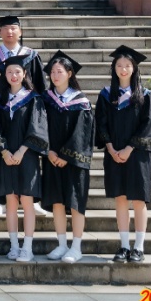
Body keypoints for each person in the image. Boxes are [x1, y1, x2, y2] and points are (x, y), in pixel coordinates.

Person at [0, 14, 48, 218]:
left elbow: (40, 86)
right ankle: (0, 200)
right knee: (1, 157)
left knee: (29, 157)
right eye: (6, 28)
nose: (10, 31)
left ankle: (33, 200)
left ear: (20, 32)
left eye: (13, 28)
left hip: (26, 112)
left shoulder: (31, 55)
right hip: (0, 110)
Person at [96, 45, 151, 264]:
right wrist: (111, 148)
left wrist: (129, 148)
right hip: (114, 153)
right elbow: (101, 123)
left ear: (134, 69)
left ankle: (138, 247)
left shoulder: (145, 95)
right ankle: (123, 246)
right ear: (114, 68)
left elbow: (147, 125)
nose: (123, 69)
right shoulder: (106, 95)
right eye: (119, 65)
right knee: (120, 199)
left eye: (127, 65)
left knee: (139, 200)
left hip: (138, 154)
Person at [0, 57, 48, 263]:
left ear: (24, 74)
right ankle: (14, 245)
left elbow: (37, 128)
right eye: (9, 72)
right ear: (4, 75)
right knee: (10, 201)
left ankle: (27, 247)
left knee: (27, 201)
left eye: (17, 72)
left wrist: (21, 151)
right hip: (5, 157)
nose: (13, 76)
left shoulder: (34, 99)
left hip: (27, 156)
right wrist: (4, 152)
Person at [42, 51, 94, 264]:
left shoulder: (81, 101)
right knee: (57, 202)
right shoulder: (46, 99)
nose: (55, 76)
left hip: (74, 161)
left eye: (60, 72)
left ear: (70, 73)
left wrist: (66, 155)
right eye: (53, 72)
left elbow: (83, 133)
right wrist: (49, 150)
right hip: (52, 158)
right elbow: (40, 127)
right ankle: (62, 244)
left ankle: (76, 247)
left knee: (75, 203)